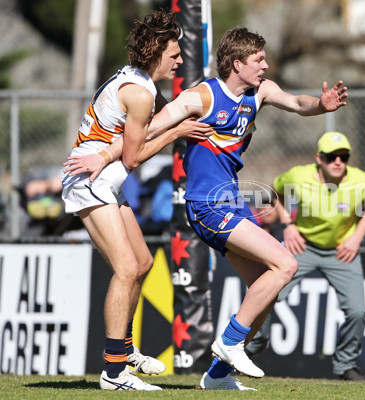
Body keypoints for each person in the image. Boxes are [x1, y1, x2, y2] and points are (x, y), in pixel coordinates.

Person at [70, 26, 348, 391]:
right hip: (207, 205)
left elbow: (298, 103)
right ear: (237, 63)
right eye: (258, 60)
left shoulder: (260, 92)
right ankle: (228, 343)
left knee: (264, 286)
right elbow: (146, 130)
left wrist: (320, 106)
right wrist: (104, 154)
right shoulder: (200, 97)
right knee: (286, 264)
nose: (265, 66)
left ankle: (217, 375)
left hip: (231, 202)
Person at [61, 10, 212, 391]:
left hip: (105, 179)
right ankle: (113, 372)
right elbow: (133, 156)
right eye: (174, 55)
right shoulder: (141, 93)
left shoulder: (142, 83)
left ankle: (125, 350)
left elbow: (156, 124)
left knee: (143, 262)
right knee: (126, 267)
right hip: (90, 178)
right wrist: (178, 131)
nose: (179, 61)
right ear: (154, 52)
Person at [245, 131, 365, 381]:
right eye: (331, 157)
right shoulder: (298, 175)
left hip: (341, 251)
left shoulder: (362, 180)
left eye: (344, 156)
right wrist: (288, 225)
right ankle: (250, 348)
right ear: (319, 158)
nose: (338, 162)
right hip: (302, 247)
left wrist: (356, 237)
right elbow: (277, 192)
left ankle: (346, 366)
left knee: (358, 311)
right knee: (266, 294)